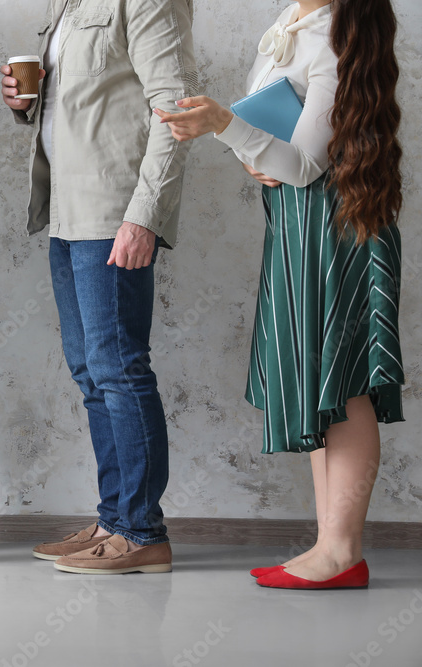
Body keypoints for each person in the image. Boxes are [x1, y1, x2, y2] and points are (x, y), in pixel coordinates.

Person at [158, 0, 404, 589]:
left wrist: (225, 125)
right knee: (322, 378)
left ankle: (341, 552)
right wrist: (248, 150)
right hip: (300, 222)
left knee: (342, 380)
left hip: (336, 225)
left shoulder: (333, 39)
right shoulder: (297, 25)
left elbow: (300, 164)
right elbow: (285, 148)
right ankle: (331, 548)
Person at [0, 0, 197, 575]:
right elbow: (80, 101)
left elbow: (176, 110)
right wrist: (24, 104)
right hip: (66, 207)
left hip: (113, 210)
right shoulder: (69, 4)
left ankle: (142, 532)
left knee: (119, 367)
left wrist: (145, 215)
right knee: (91, 372)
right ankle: (115, 519)